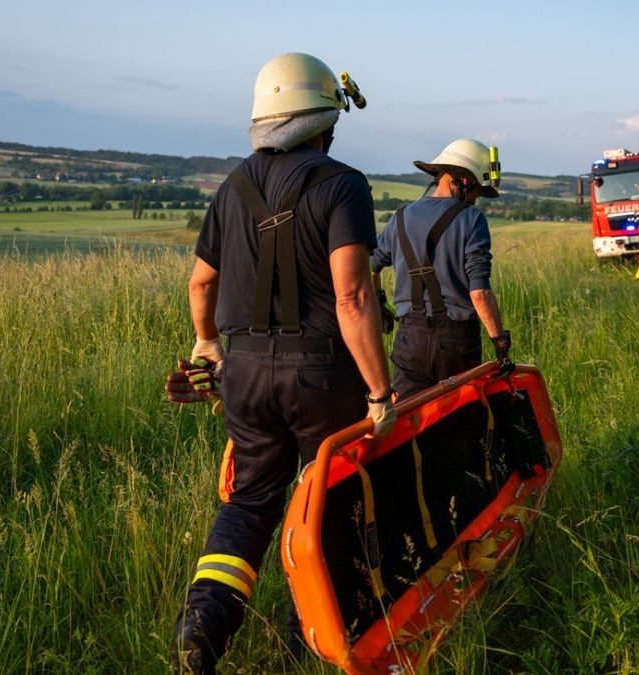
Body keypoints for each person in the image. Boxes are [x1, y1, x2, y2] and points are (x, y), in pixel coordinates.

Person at [169, 52, 396, 674]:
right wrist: (380, 391)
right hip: (323, 376)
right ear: (325, 119)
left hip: (243, 374)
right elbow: (352, 295)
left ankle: (204, 624)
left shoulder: (230, 187)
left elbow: (199, 285)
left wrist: (208, 344)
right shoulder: (343, 184)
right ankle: (310, 643)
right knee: (328, 505)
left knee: (248, 504)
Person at [369, 138, 513, 399]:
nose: (474, 201)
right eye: (475, 193)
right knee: (459, 422)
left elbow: (370, 268)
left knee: (409, 422)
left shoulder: (400, 217)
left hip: (409, 339)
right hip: (456, 340)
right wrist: (501, 347)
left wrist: (379, 303)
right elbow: (479, 294)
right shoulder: (472, 220)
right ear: (463, 180)